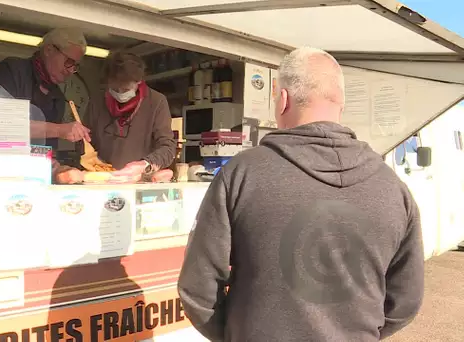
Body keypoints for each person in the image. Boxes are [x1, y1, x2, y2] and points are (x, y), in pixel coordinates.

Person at [177, 47, 424, 342]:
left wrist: (235, 333)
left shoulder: (242, 173)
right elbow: (405, 301)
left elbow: (197, 288)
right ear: (341, 104)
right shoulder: (394, 188)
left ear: (282, 100)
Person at [0, 27, 91, 150]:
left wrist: (53, 164)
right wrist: (59, 130)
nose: (70, 70)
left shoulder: (58, 98)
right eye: (69, 62)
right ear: (49, 50)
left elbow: (45, 147)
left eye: (75, 66)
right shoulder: (12, 71)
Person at [83, 52, 176, 175]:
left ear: (139, 81)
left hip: (141, 180)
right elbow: (85, 144)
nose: (120, 94)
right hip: (102, 178)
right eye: (115, 90)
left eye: (126, 89)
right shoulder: (97, 102)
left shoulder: (156, 102)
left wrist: (144, 165)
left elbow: (168, 148)